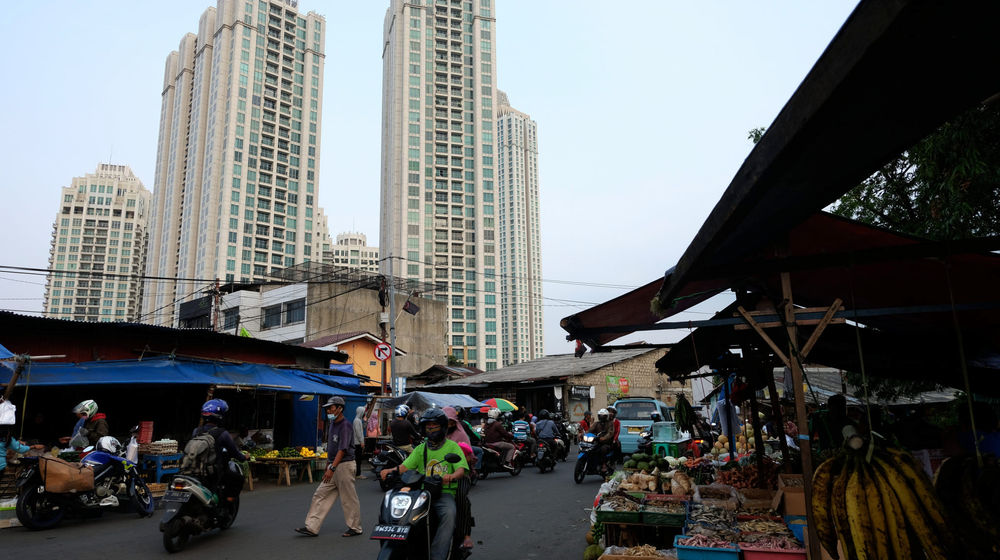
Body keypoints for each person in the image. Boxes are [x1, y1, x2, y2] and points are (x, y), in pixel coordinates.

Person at [380, 408, 470, 560]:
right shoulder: (420, 449)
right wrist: (389, 470)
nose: (430, 429)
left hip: (444, 493)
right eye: (427, 426)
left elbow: (461, 469)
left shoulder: (452, 447)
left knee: (449, 515)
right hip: (420, 494)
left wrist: (451, 476)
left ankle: (438, 556)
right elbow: (405, 467)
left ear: (442, 427)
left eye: (434, 425)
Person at [296, 396, 363, 538]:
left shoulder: (346, 425)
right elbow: (332, 448)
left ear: (340, 409)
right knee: (320, 494)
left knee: (348, 498)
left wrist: (332, 468)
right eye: (327, 408)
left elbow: (342, 449)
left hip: (344, 465)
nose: (329, 410)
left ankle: (355, 527)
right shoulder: (332, 424)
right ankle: (312, 527)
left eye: (331, 408)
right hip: (333, 465)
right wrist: (329, 465)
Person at [189, 399, 244, 498]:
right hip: (213, 471)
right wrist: (244, 457)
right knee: (238, 478)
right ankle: (229, 500)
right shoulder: (223, 433)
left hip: (196, 468)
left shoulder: (196, 431)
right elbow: (235, 452)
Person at [442, 407, 475, 551]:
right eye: (445, 422)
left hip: (460, 475)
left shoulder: (461, 436)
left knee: (461, 499)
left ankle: (464, 534)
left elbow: (469, 458)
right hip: (439, 475)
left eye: (451, 422)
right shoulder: (437, 435)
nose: (448, 425)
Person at [455, 406, 484, 471]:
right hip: (462, 446)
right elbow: (473, 434)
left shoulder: (449, 423)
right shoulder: (465, 423)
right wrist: (479, 438)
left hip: (451, 446)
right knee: (480, 451)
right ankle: (476, 470)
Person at [588, 408, 615, 473]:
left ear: (607, 416)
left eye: (604, 416)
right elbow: (590, 430)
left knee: (603, 449)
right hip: (596, 441)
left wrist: (604, 438)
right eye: (600, 415)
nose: (602, 417)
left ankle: (604, 465)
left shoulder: (610, 423)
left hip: (606, 443)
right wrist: (583, 434)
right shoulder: (596, 423)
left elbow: (610, 433)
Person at [353, 405, 367, 479]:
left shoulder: (358, 420)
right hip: (357, 443)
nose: (364, 413)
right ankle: (358, 474)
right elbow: (359, 433)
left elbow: (363, 428)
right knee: (358, 459)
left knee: (358, 459)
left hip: (358, 442)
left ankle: (357, 473)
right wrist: (362, 441)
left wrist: (365, 421)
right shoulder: (357, 421)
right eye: (363, 412)